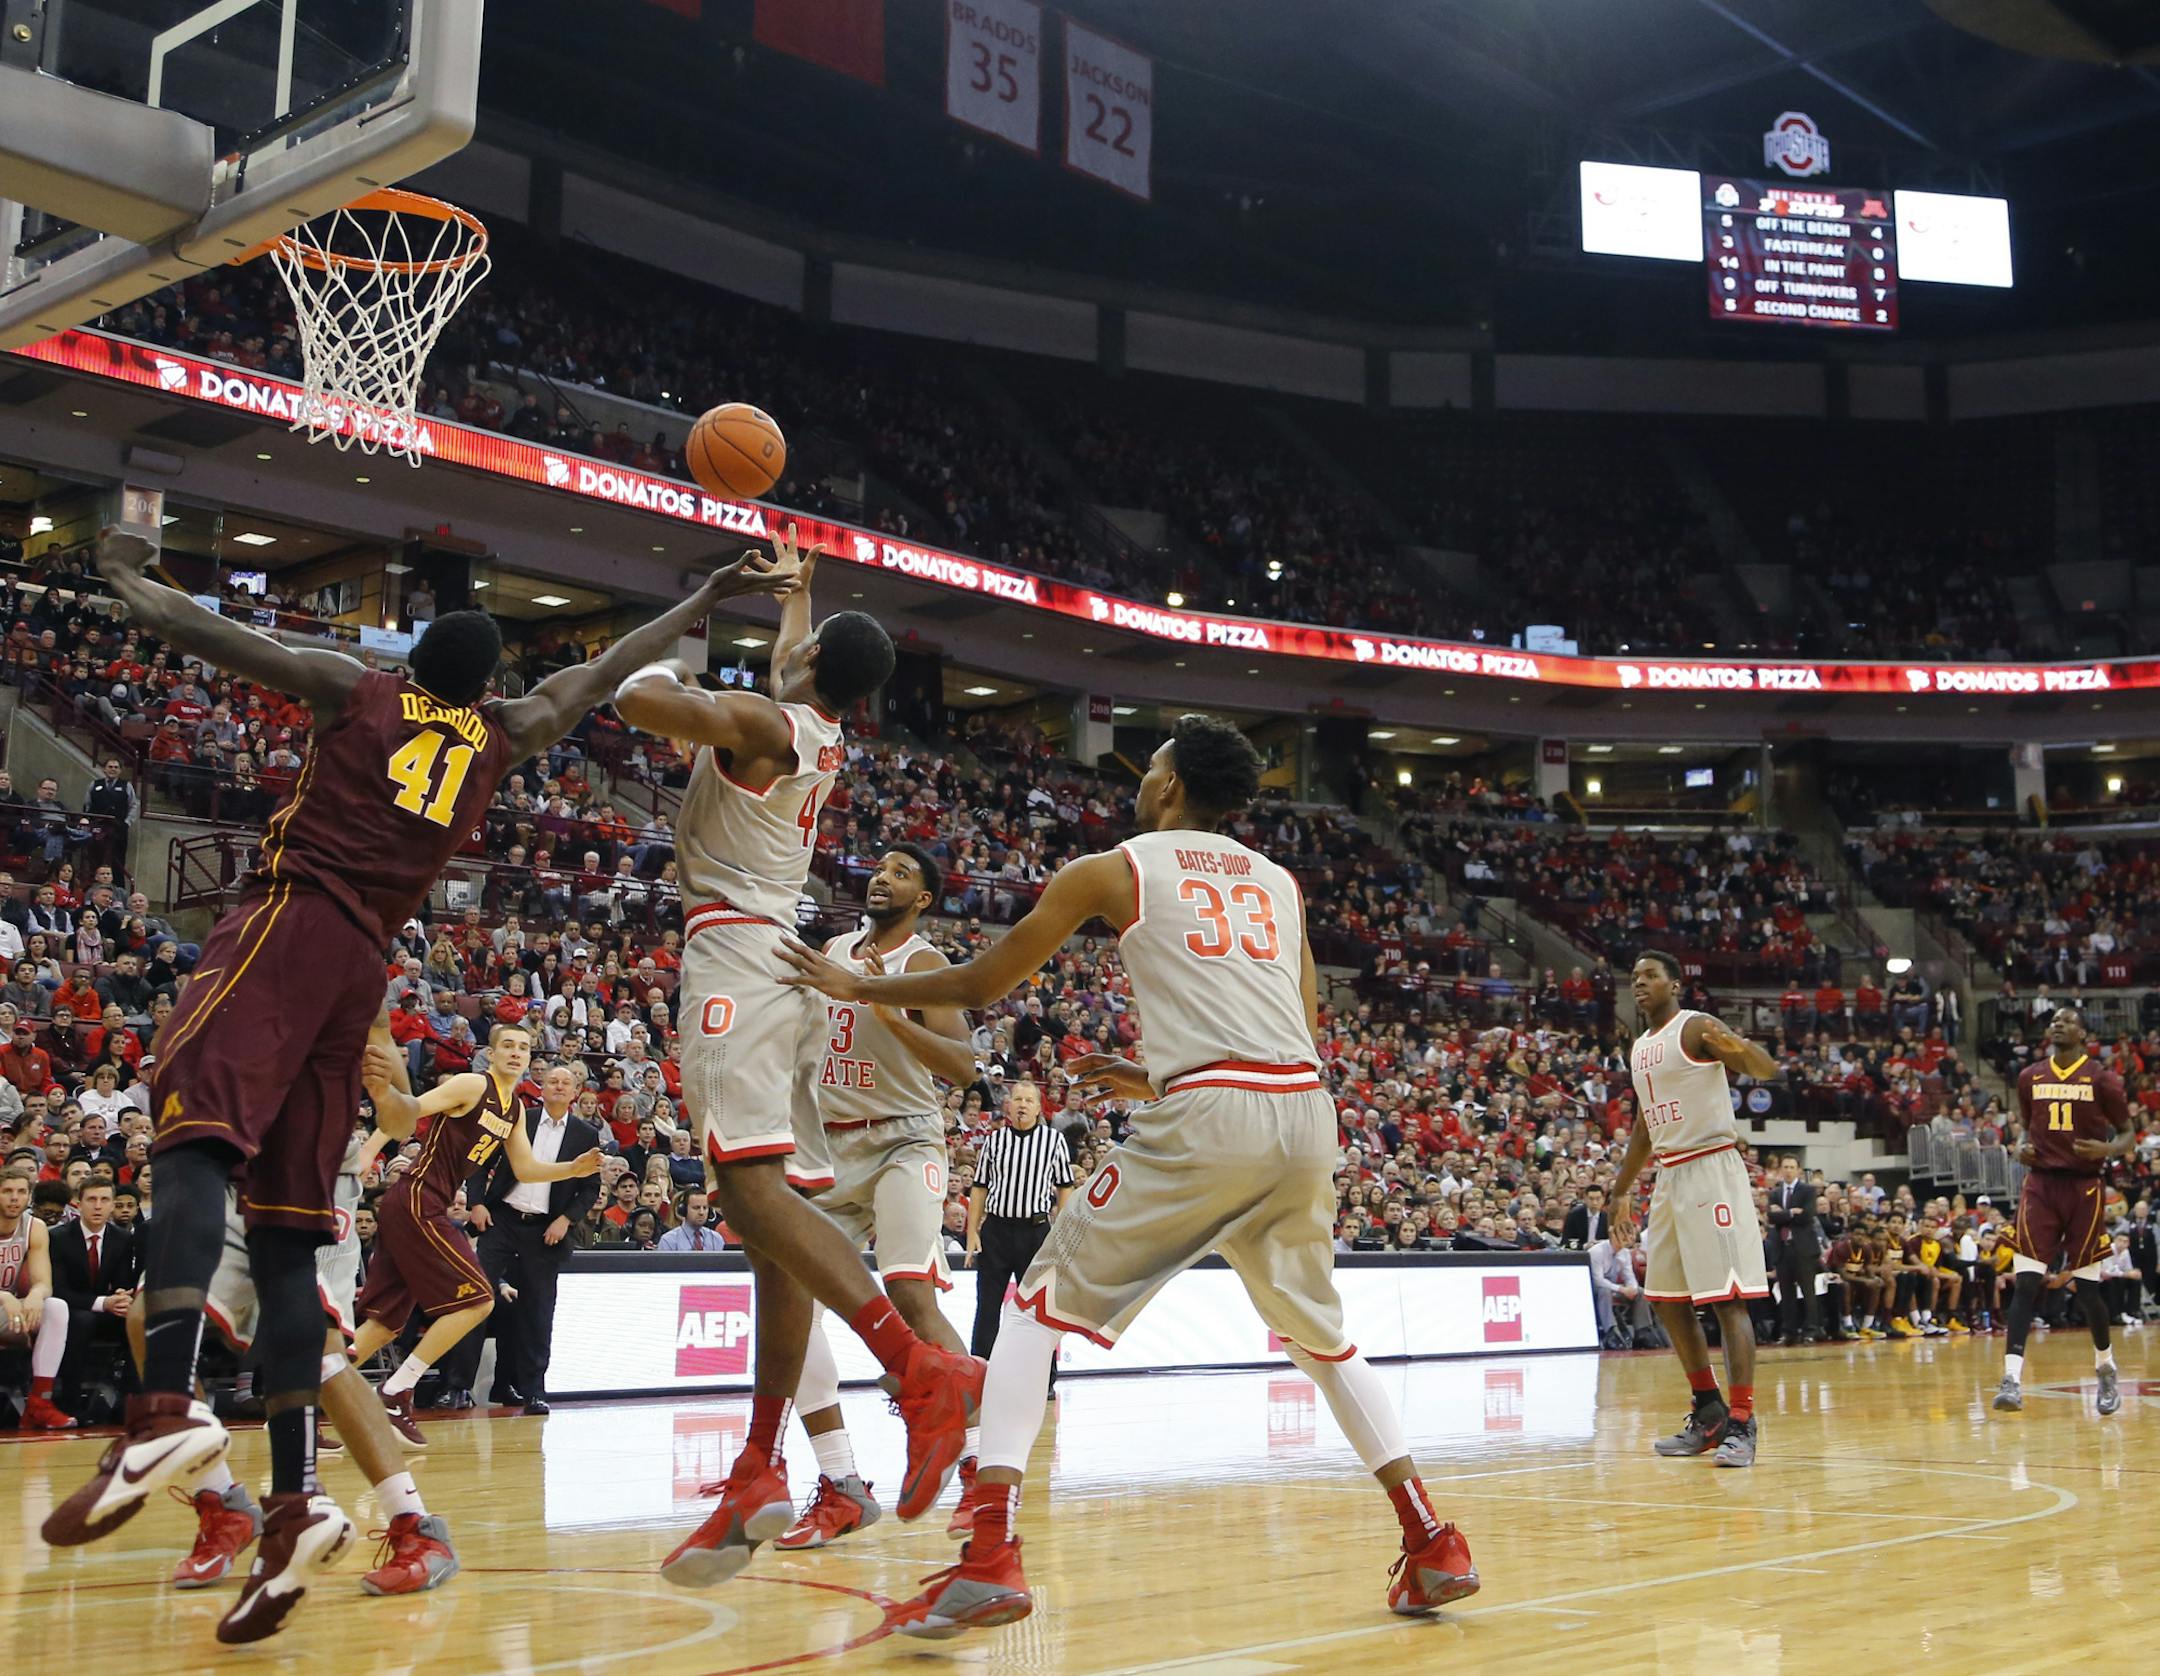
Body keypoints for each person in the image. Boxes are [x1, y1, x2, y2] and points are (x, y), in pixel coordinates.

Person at [43, 526, 793, 1649]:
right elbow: (592, 678)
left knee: (190, 1143)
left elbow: (196, 629)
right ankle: (295, 1505)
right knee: (288, 1241)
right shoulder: (506, 730)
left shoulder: (358, 689)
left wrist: (121, 575)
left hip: (292, 921)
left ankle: (160, 1414)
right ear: (487, 682)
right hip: (365, 964)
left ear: (410, 659)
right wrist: (712, 595)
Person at [779, 715, 1479, 1635]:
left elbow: (988, 981)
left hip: (1211, 1118)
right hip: (1305, 1115)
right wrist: (1161, 1072)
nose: (1141, 783)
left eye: (1151, 769)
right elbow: (1294, 1027)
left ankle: (989, 1553)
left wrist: (863, 989)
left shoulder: (1120, 866)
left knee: (1031, 1312)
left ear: (1175, 787)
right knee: (1323, 1341)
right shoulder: (1280, 883)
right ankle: (1432, 1540)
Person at [612, 529, 981, 1591]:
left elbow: (640, 696)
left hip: (735, 951)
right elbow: (788, 673)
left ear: (812, 672)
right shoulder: (814, 728)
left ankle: (917, 1366)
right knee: (776, 1236)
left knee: (744, 1187)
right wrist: (795, 602)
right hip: (782, 958)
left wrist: (685, 624)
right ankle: (762, 1461)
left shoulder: (765, 720)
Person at [144, 1107, 462, 1600]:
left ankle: (415, 1524)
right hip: (225, 1156)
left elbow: (399, 1111)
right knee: (150, 1318)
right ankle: (223, 1502)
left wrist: (387, 1096)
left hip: (311, 1161)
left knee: (321, 1351)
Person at [774, 844, 981, 1553]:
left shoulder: (923, 966)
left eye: (900, 872)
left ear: (923, 899)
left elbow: (962, 1068)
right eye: (880, 865)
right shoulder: (834, 946)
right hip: (830, 1145)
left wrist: (873, 1000)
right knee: (788, 1302)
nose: (881, 875)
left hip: (904, 1139)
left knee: (908, 1291)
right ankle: (841, 1485)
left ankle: (981, 1474)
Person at [351, 1025, 600, 1443]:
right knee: (480, 1300)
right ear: (491, 1053)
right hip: (417, 1196)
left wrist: (572, 1170)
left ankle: (300, 1399)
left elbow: (525, 1170)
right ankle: (396, 1391)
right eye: (508, 1046)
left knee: (385, 1323)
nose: (516, 1053)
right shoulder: (471, 1084)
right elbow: (406, 1110)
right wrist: (368, 1151)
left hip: (420, 1204)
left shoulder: (515, 1109)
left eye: (523, 1048)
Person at [1608, 950, 1777, 1470]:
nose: (1639, 984)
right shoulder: (1639, 1048)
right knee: (1666, 1297)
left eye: (1650, 976)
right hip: (1670, 1173)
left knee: (1727, 1299)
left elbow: (1762, 1068)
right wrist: (1620, 1189)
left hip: (1711, 1167)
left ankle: (1744, 1423)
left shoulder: (1696, 1027)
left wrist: (1744, 1052)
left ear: (1675, 984)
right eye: (1633, 977)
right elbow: (1644, 1124)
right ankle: (1709, 1412)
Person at [1992, 1008, 2133, 1417]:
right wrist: (2019, 1146)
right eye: (2053, 1019)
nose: (2057, 1023)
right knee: (2026, 1282)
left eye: (2066, 1020)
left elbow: (2126, 1135)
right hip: (2040, 1185)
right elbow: (2023, 1126)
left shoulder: (2102, 1079)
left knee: (2087, 1291)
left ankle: (2105, 1367)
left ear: (2083, 1033)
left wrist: (2106, 1150)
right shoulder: (2029, 1077)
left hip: (2085, 1188)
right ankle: (2011, 1378)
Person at [453, 1059, 604, 1412]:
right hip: (501, 1220)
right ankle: (457, 1385)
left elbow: (589, 1188)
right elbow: (478, 1161)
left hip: (545, 1229)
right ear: (541, 1087)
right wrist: (476, 1202)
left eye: (566, 1083)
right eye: (552, 1081)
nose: (559, 1086)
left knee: (537, 1311)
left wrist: (566, 1219)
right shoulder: (521, 1120)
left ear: (576, 1092)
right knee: (475, 1299)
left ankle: (533, 1390)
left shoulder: (585, 1134)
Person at [964, 1079, 1072, 1393]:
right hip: (997, 1230)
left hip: (1036, 1232)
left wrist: (1060, 1229)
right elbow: (980, 1187)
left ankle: (1044, 1379)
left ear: (1039, 1108)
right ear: (1008, 1105)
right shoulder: (994, 1141)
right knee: (987, 1306)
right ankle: (979, 1374)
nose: (1022, 1104)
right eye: (1017, 1099)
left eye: (1028, 1100)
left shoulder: (1053, 1141)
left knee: (1040, 1310)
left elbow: (1065, 1185)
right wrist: (972, 1232)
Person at [47, 1178, 138, 1409]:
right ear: (78, 1204)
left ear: (112, 1205)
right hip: (68, 1309)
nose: (98, 1206)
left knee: (137, 1320)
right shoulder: (58, 1237)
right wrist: (103, 1303)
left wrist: (121, 1296)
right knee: (82, 1321)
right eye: (92, 1199)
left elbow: (123, 1282)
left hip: (104, 1309)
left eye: (104, 1200)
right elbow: (57, 1290)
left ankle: (129, 1402)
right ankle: (70, 1403)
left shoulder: (123, 1238)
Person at [0, 1168, 74, 1429]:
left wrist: (34, 1294)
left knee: (55, 1307)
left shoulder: (35, 1227)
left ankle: (39, 1404)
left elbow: (44, 1283)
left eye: (21, 1192)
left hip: (10, 1312)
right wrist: (4, 1298)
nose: (14, 1198)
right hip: (4, 1305)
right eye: (7, 1191)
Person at [1765, 1155, 1824, 1344]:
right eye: (1785, 1167)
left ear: (1798, 1170)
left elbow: (1806, 1216)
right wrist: (1791, 1212)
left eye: (1792, 1167)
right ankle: (1789, 1332)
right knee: (1786, 1293)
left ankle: (1811, 1330)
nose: (1788, 1170)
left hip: (1804, 1249)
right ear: (1780, 1170)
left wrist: (1781, 1213)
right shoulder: (1775, 1192)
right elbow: (1771, 1218)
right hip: (1782, 1249)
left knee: (1808, 1291)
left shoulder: (1807, 1190)